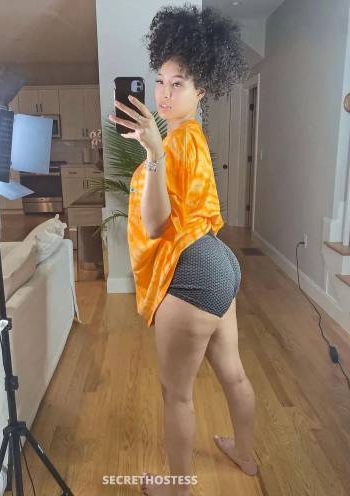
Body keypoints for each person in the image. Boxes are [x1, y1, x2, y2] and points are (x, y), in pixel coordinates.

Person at [108, 4, 257, 495]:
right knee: (233, 374)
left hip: (191, 270)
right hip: (219, 262)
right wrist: (154, 147)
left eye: (179, 83)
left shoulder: (171, 144)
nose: (165, 94)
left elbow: (155, 224)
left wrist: (151, 153)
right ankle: (246, 456)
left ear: (201, 90)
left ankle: (178, 487)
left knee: (176, 393)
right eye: (160, 81)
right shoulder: (188, 136)